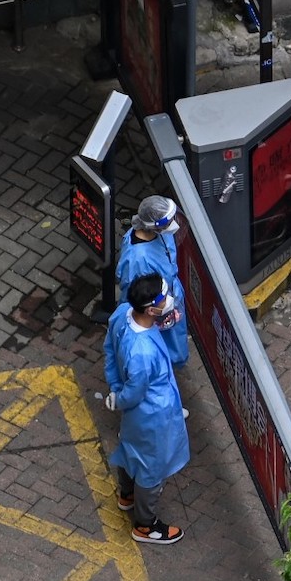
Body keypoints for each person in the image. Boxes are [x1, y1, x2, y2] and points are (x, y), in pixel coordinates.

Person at [104, 273, 190, 545]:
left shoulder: (121, 316)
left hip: (138, 419)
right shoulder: (142, 352)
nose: (169, 301)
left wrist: (115, 390)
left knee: (130, 449)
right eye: (164, 298)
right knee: (152, 469)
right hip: (152, 416)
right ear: (151, 309)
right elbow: (136, 391)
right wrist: (121, 398)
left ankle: (126, 495)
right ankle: (145, 525)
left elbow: (110, 350)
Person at [117, 195, 190, 370]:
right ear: (154, 226)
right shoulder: (138, 259)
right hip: (157, 307)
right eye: (169, 220)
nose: (174, 223)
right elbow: (133, 295)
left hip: (169, 298)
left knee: (173, 340)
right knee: (161, 346)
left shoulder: (160, 234)